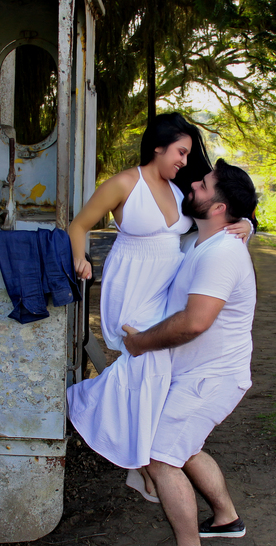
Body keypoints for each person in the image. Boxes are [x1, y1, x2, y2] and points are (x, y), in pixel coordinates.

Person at [66, 114, 247, 501]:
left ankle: (143, 461)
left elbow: (219, 212)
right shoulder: (123, 184)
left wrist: (246, 222)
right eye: (180, 152)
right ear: (158, 147)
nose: (184, 160)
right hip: (132, 290)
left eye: (187, 154)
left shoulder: (182, 189)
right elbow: (78, 225)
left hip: (166, 293)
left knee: (155, 375)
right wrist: (80, 259)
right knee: (148, 365)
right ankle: (136, 454)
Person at [120, 159, 258, 546]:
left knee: (160, 457)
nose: (192, 185)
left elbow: (195, 322)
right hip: (199, 375)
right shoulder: (200, 241)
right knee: (186, 447)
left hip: (211, 379)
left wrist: (140, 343)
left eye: (202, 184)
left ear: (219, 207)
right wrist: (249, 222)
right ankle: (225, 519)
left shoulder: (222, 253)